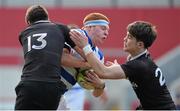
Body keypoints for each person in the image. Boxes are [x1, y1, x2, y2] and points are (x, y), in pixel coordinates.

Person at [70, 21, 176, 109]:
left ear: (140, 44)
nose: (124, 39)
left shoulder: (139, 65)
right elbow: (140, 78)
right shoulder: (142, 61)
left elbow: (102, 72)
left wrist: (85, 46)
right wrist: (119, 71)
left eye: (129, 37)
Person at [15, 5, 83, 110]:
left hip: (29, 84)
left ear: (28, 22)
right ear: (47, 17)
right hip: (52, 86)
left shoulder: (23, 34)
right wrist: (89, 64)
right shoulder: (60, 28)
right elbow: (81, 50)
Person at [58, 13, 110, 110]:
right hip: (47, 85)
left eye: (107, 30)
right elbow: (61, 58)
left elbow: (96, 94)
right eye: (103, 28)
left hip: (60, 93)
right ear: (90, 27)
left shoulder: (99, 56)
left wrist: (100, 86)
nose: (106, 32)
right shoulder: (76, 34)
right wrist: (87, 64)